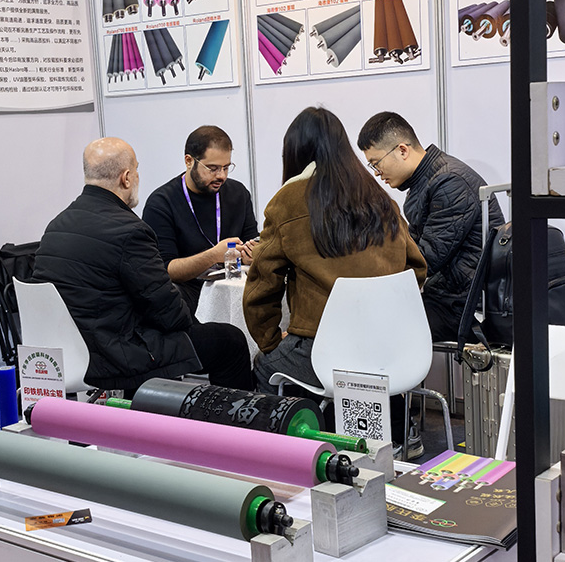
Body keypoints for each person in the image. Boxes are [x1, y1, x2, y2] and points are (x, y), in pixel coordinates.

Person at [31, 137, 252, 394]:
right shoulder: (130, 230)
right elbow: (169, 313)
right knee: (230, 341)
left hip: (61, 354)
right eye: (136, 170)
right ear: (126, 178)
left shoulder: (56, 226)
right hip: (115, 355)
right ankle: (235, 419)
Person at [243, 106, 426, 401]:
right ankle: (398, 425)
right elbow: (416, 268)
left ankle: (302, 430)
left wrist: (271, 341)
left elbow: (261, 288)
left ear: (294, 153)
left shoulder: (287, 201)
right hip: (389, 349)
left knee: (265, 366)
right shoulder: (381, 198)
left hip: (323, 352)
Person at [357, 112, 505, 342]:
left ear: (402, 150)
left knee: (374, 327)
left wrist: (369, 273)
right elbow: (412, 251)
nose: (377, 173)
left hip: (463, 306)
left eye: (376, 163)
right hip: (446, 296)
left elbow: (424, 259)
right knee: (366, 316)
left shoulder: (449, 182)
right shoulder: (425, 182)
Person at [143, 126, 259, 314]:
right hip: (188, 298)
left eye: (226, 167)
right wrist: (213, 255)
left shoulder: (238, 193)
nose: (221, 176)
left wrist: (252, 254)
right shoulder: (162, 203)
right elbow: (166, 269)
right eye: (213, 168)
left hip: (235, 290)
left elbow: (252, 241)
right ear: (189, 161)